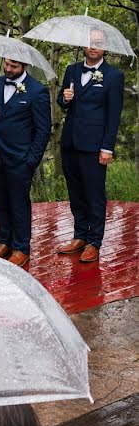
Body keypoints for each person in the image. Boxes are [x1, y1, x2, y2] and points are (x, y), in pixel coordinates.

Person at [56, 29, 125, 264]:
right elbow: (61, 102)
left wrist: (108, 147)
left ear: (104, 47)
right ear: (83, 46)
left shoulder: (113, 76)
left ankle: (94, 242)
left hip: (95, 146)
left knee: (94, 195)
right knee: (75, 193)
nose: (93, 46)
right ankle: (80, 235)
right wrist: (65, 97)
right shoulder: (72, 70)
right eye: (89, 43)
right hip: (70, 142)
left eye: (97, 43)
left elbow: (113, 115)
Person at [0, 58, 52, 268]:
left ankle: (21, 248)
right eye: (7, 64)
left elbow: (43, 130)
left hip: (21, 159)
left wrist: (31, 161)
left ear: (25, 66)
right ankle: (5, 242)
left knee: (19, 204)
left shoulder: (37, 91)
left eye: (14, 66)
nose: (8, 69)